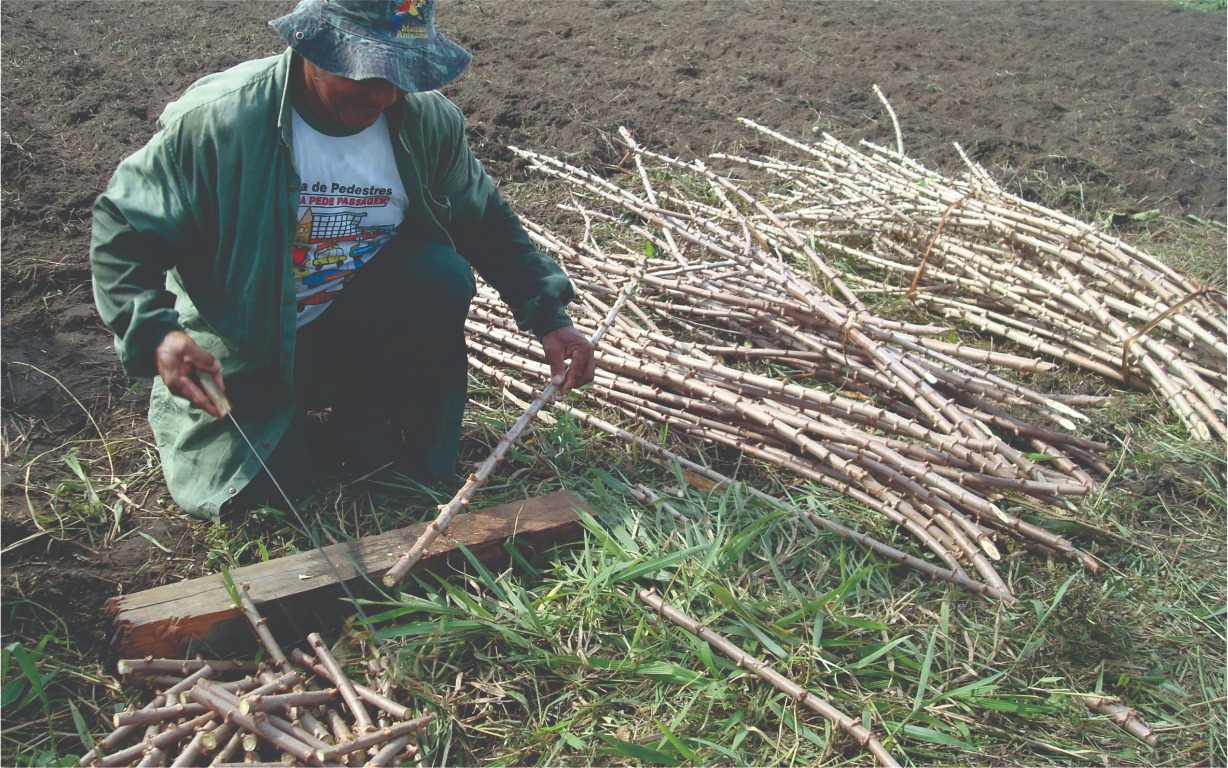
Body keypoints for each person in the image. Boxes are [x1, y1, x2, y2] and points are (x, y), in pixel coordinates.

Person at [90, 0, 595, 522]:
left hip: (350, 327)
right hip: (249, 344)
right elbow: (124, 227)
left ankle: (368, 419)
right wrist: (155, 334)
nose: (385, 94)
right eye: (369, 72)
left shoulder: (426, 124)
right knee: (261, 499)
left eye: (401, 74)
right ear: (312, 47)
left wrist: (550, 318)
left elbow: (485, 221)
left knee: (440, 274)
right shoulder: (223, 122)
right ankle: (289, 427)